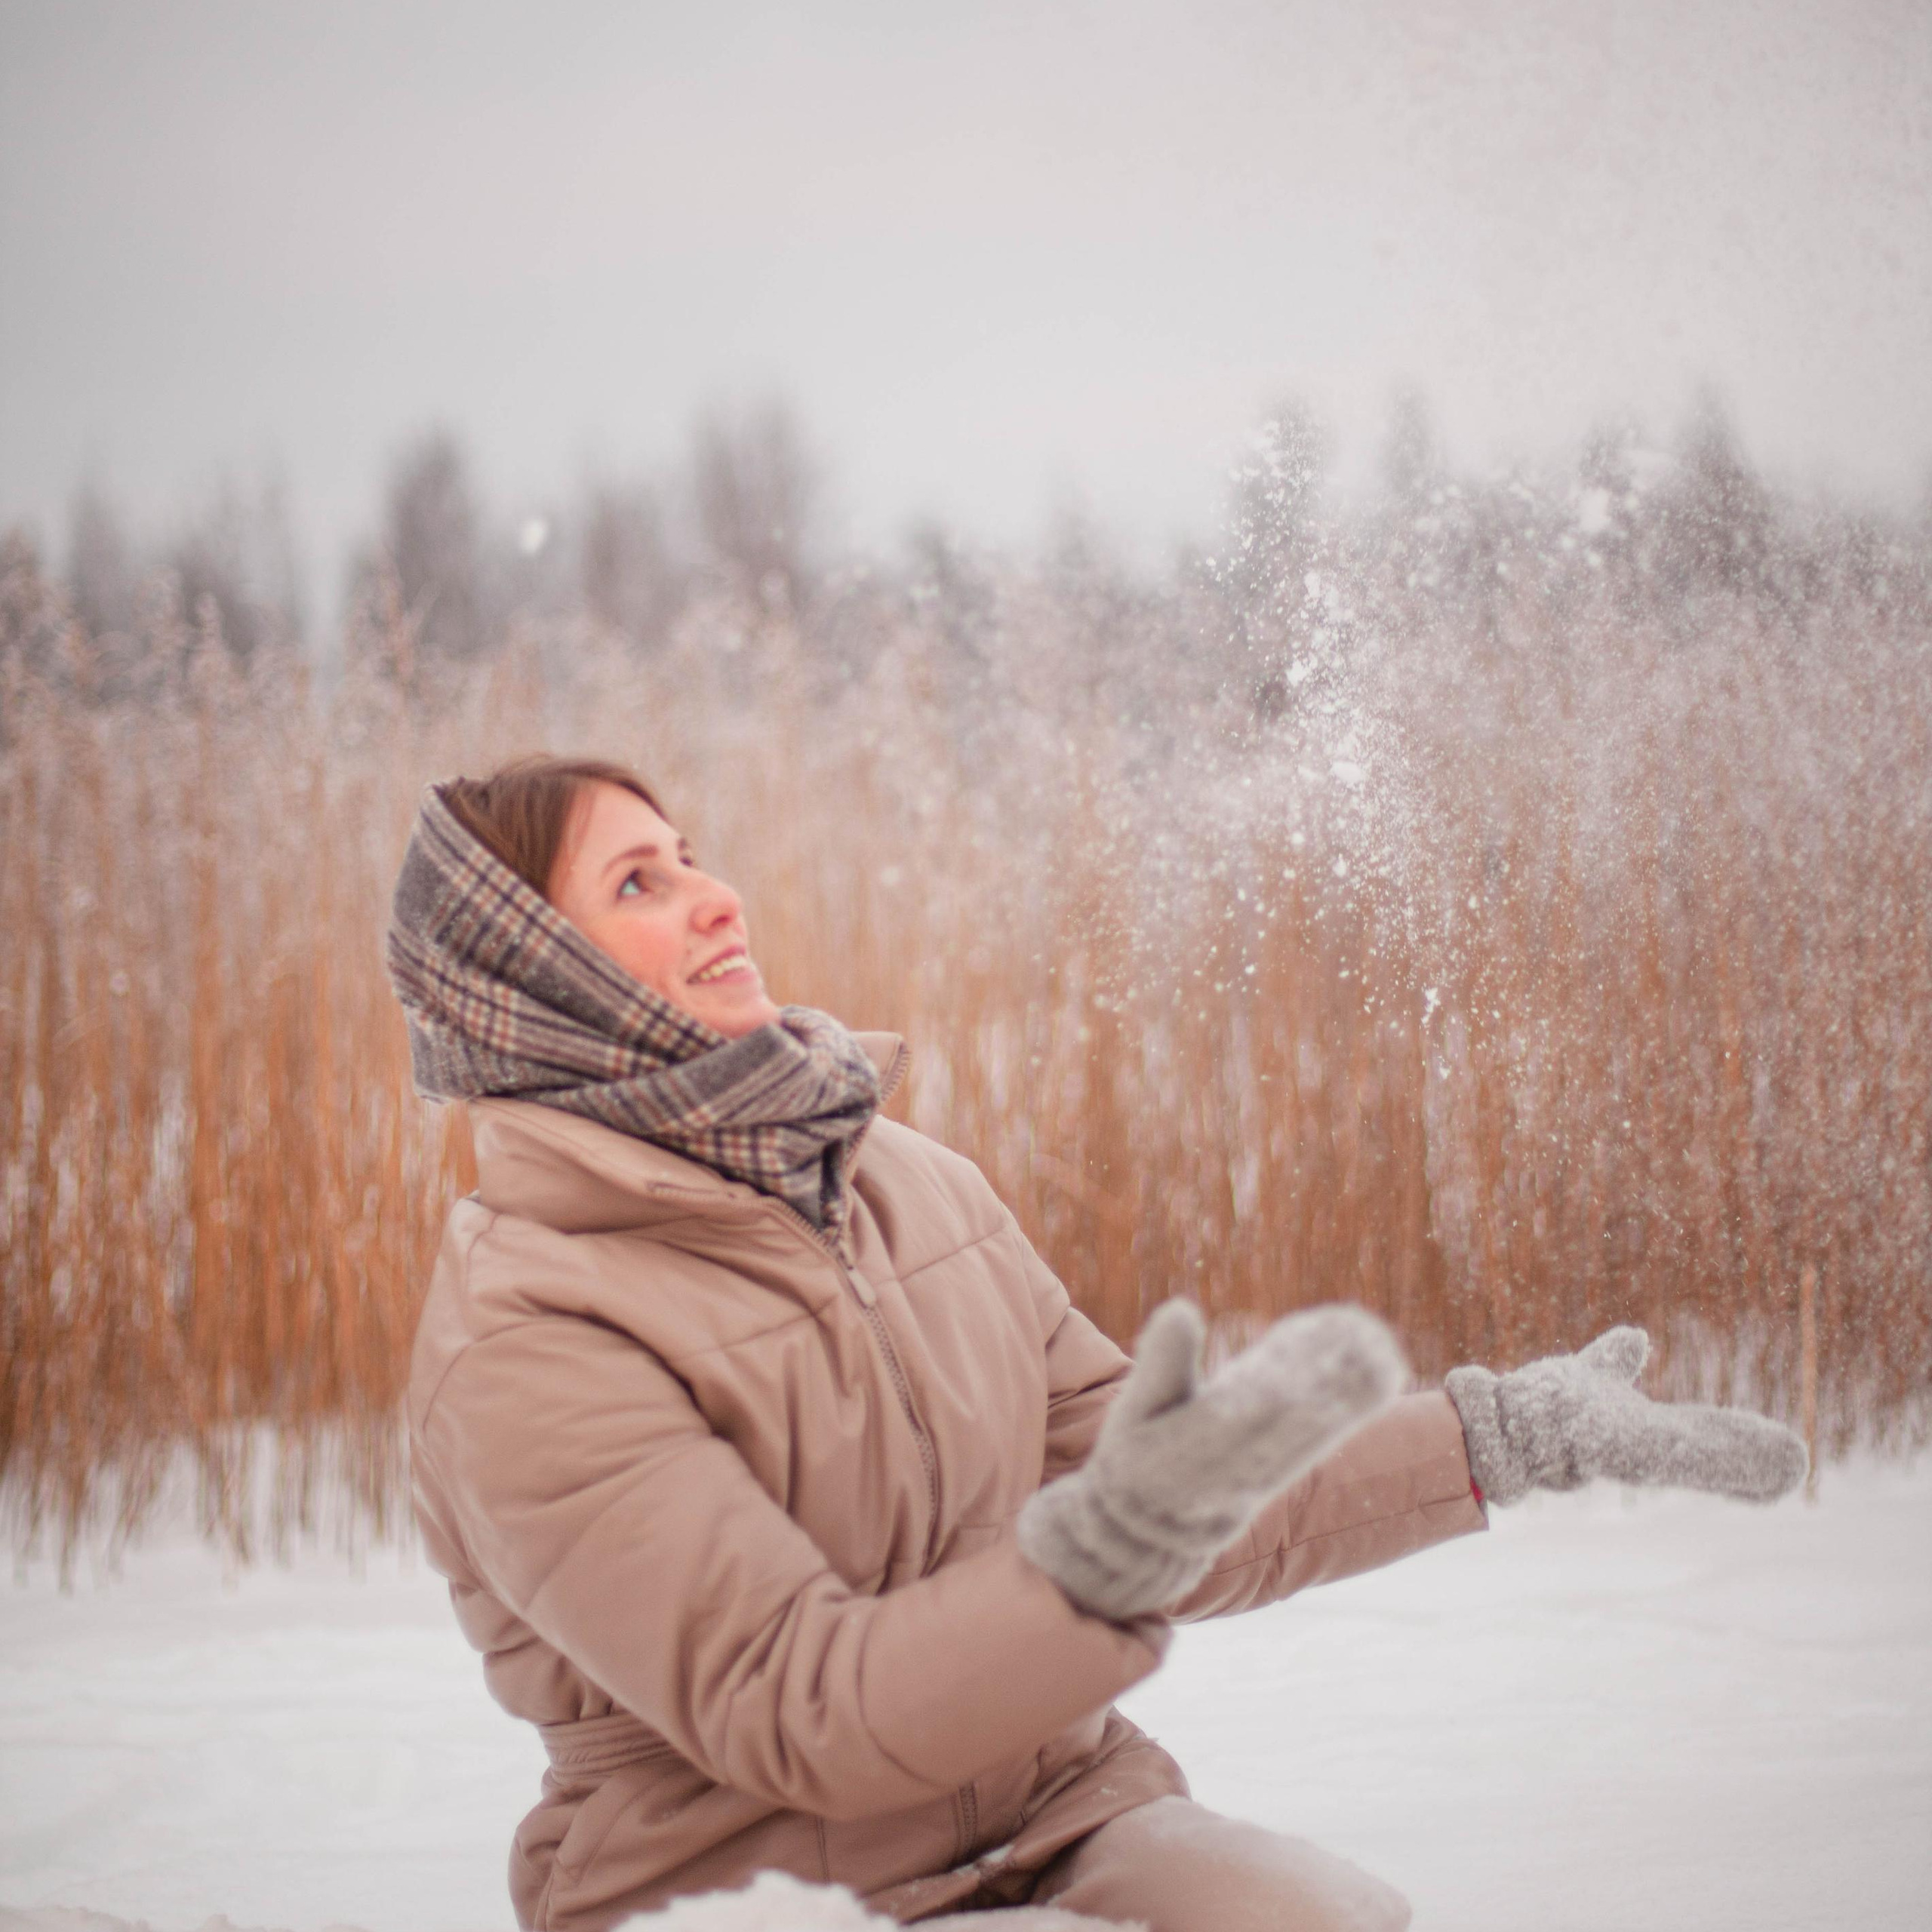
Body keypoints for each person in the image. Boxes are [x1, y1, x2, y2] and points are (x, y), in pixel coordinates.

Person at [387, 755, 1807, 1932]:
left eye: (690, 855)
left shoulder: (906, 1181)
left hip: (1066, 1819)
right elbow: (798, 1705)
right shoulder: (528, 1332)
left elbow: (1168, 1491)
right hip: (744, 1884)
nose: (716, 898)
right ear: (535, 981)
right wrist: (1103, 1559)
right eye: (640, 883)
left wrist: (1500, 1436)